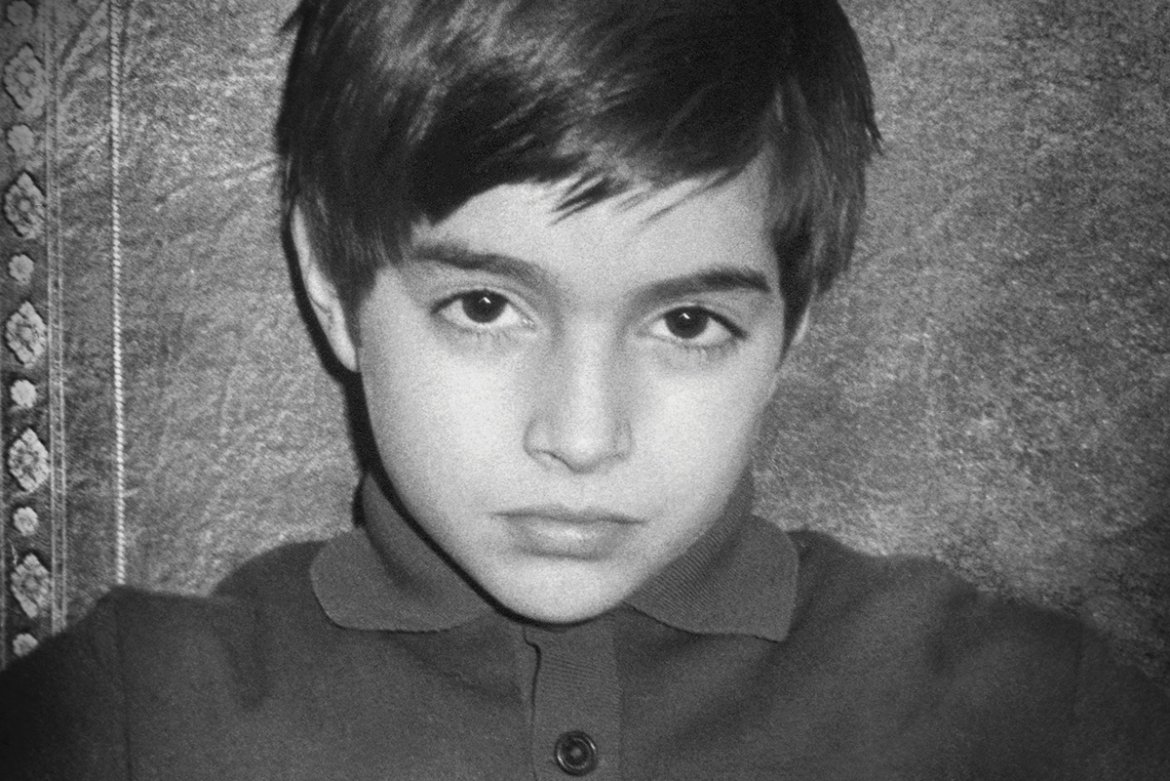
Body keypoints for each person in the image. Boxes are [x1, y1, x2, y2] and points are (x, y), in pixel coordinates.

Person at [2, 0, 1168, 777]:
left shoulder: (1033, 716)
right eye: (483, 306)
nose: (581, 434)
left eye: (689, 323)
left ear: (790, 327)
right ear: (331, 283)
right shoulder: (130, 721)